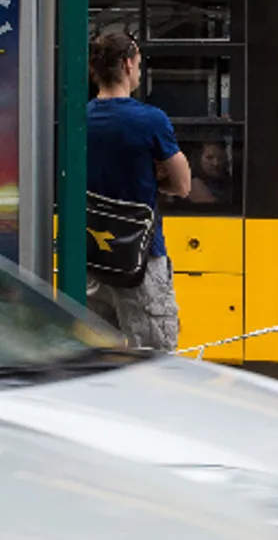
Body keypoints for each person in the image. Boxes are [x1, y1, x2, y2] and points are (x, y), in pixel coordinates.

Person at [85, 32, 191, 351]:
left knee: (102, 362)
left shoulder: (80, 117)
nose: (140, 73)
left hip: (93, 259)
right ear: (129, 64)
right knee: (154, 361)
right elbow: (184, 185)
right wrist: (156, 177)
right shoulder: (150, 120)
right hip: (140, 261)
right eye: (140, 65)